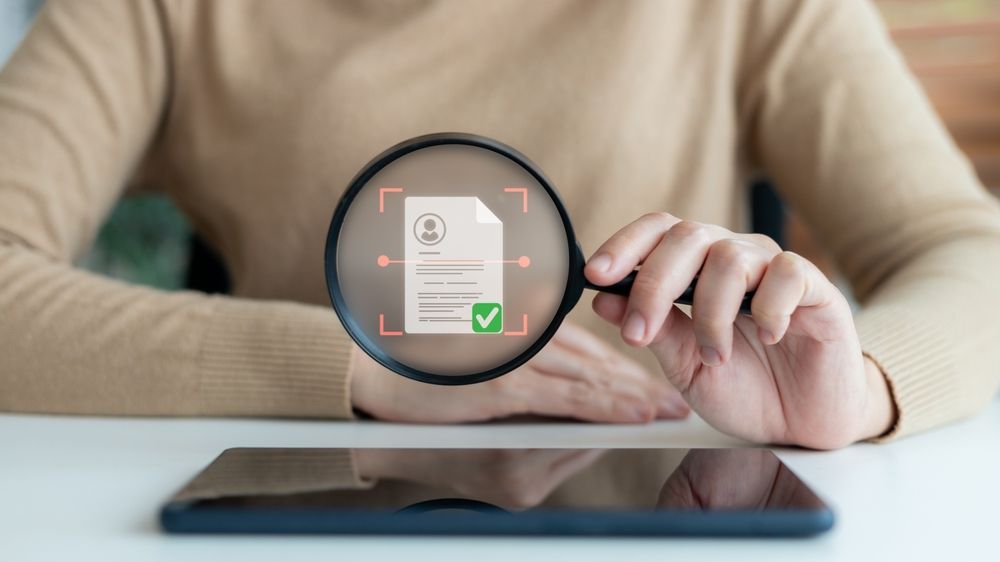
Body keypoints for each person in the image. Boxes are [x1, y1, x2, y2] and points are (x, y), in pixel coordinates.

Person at [1, 0, 998, 449]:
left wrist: (859, 394)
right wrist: (357, 364)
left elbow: (968, 249)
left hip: (669, 490)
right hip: (320, 508)